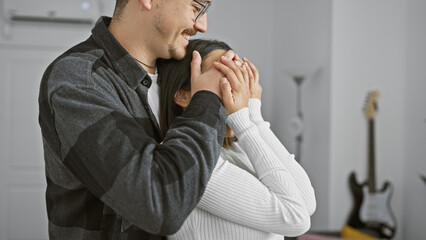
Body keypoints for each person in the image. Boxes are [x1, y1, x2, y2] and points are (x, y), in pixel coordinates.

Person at [38, 0, 249, 239]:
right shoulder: (78, 80)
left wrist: (249, 110)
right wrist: (208, 99)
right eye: (197, 6)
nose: (203, 25)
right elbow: (160, 205)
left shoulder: (180, 75)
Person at [156, 39, 316, 240]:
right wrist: (243, 121)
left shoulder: (235, 152)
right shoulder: (186, 161)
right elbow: (295, 218)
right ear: (183, 95)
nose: (239, 88)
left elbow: (307, 203)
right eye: (226, 77)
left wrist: (254, 117)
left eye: (240, 75)